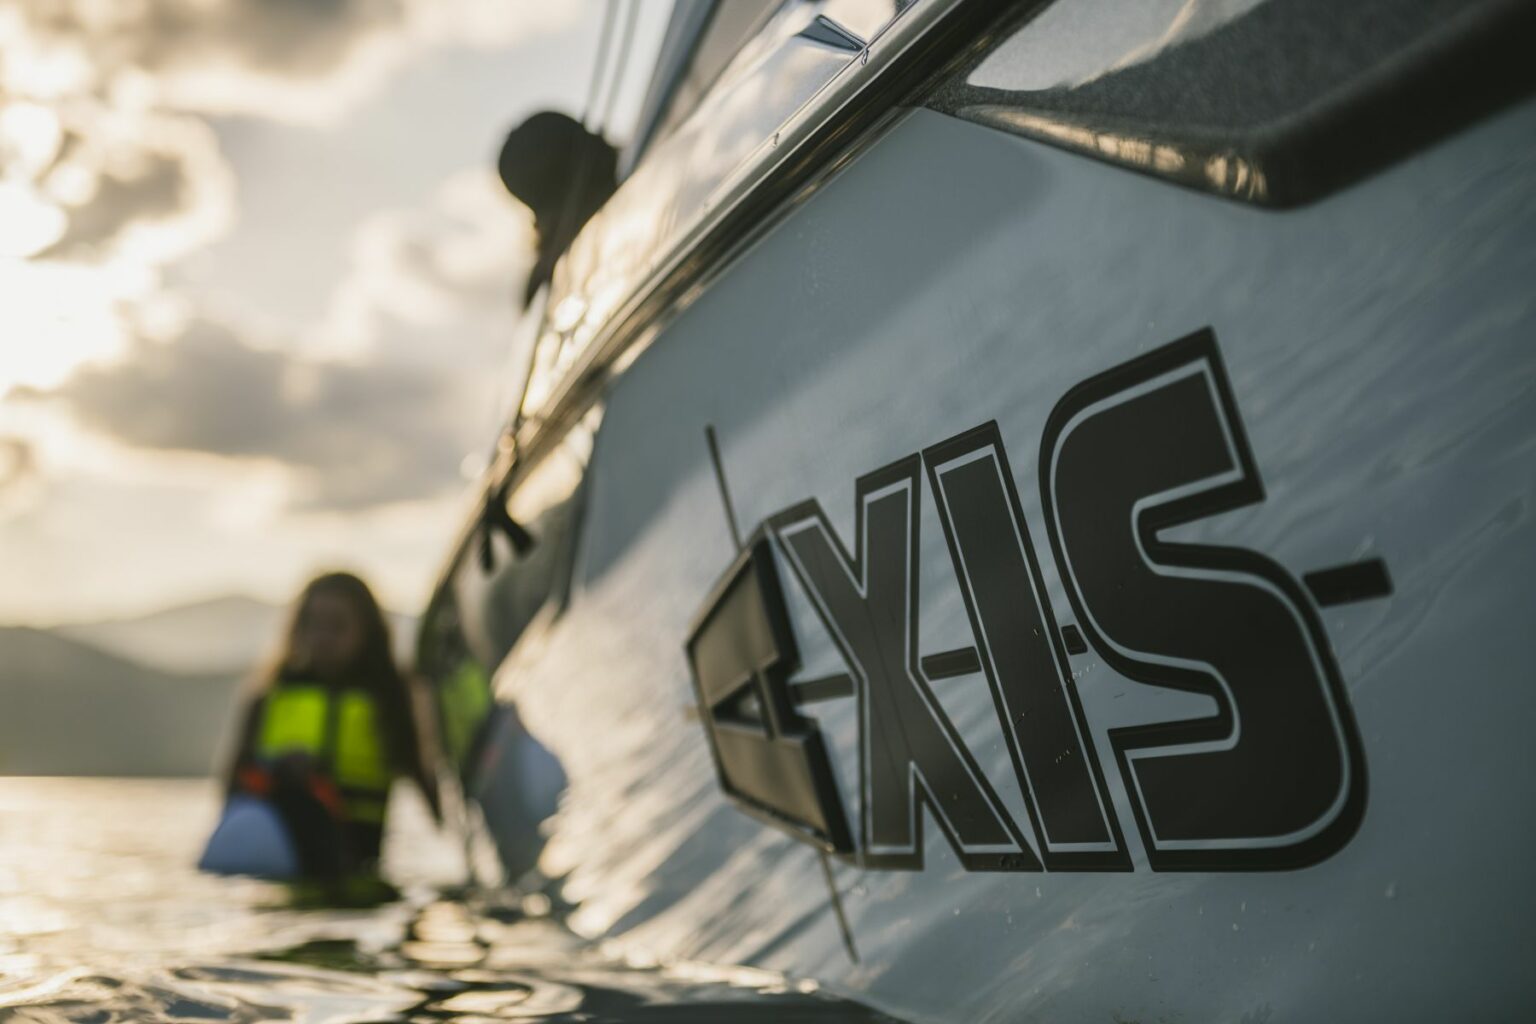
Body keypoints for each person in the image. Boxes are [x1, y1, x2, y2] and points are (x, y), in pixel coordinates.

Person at [221, 572, 440, 882]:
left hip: (357, 870)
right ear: (298, 628)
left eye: (338, 626)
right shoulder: (268, 696)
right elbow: (234, 784)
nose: (322, 637)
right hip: (276, 866)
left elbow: (422, 777)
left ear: (368, 632)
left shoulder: (390, 698)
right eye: (313, 624)